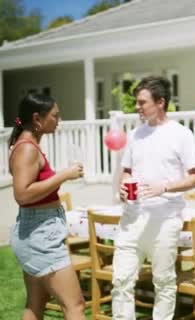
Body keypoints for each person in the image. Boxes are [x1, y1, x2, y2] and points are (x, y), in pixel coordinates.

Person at [112, 76, 195, 319]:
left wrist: (164, 187)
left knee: (163, 282)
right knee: (121, 281)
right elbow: (127, 172)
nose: (137, 107)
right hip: (132, 219)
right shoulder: (134, 135)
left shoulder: (181, 134)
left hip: (165, 220)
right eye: (137, 102)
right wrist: (123, 187)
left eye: (142, 102)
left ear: (160, 102)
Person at [8, 93, 85, 320]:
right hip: (41, 234)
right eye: (54, 116)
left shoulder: (28, 145)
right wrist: (64, 175)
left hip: (37, 230)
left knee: (36, 303)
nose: (58, 120)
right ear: (37, 119)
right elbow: (22, 194)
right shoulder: (27, 148)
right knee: (76, 305)